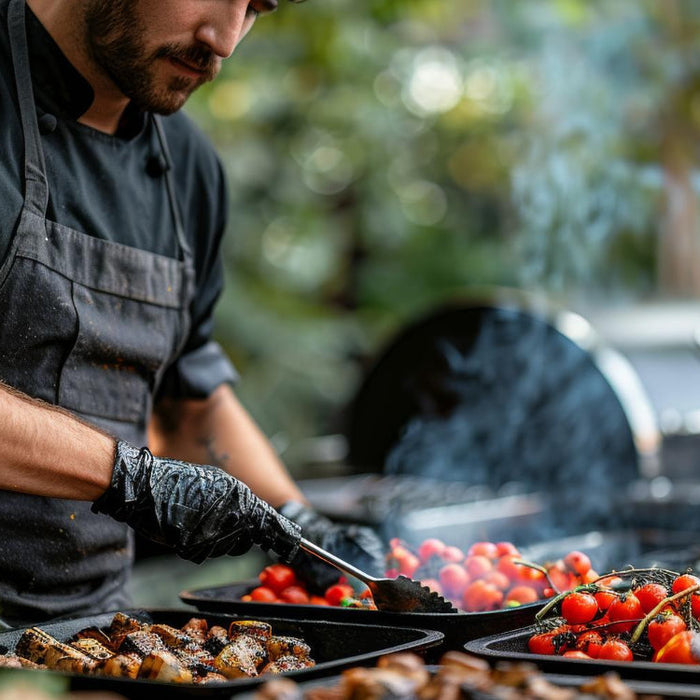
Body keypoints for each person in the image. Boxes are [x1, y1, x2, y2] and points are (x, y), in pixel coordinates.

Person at [0, 0, 384, 626]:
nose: (225, 39)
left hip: (94, 637)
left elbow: (192, 402)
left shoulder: (190, 171)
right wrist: (132, 478)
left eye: (257, 7)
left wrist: (303, 527)